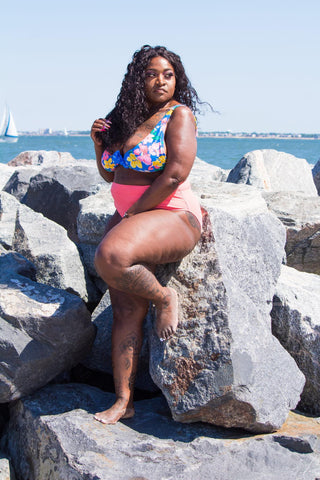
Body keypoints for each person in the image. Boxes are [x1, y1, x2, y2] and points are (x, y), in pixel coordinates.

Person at [91, 45, 204, 425]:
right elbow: (112, 174)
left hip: (173, 215)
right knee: (124, 309)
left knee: (110, 257)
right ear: (138, 79)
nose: (160, 80)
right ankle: (124, 401)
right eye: (152, 73)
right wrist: (97, 145)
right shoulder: (128, 119)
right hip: (133, 218)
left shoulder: (179, 115)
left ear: (178, 80)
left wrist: (133, 213)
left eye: (168, 74)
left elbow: (175, 174)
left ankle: (163, 295)